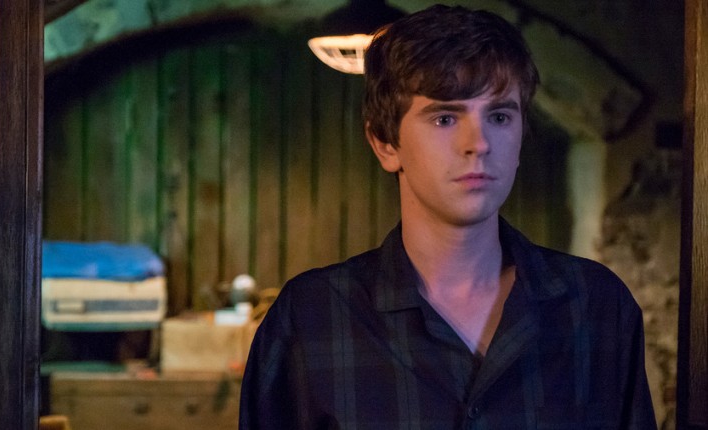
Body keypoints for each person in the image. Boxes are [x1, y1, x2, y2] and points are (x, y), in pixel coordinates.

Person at [239, 4, 656, 429]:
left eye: (499, 116)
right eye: (444, 118)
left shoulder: (596, 306)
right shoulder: (311, 319)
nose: (478, 143)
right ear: (385, 143)